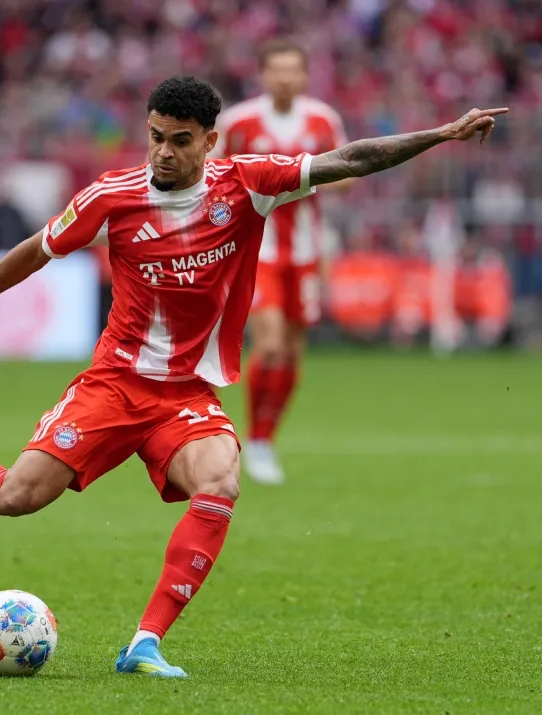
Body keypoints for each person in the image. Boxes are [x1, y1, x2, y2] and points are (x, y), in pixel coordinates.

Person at [0, 75, 505, 678]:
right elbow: (38, 250)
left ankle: (145, 642)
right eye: (155, 137)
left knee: (220, 480)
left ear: (210, 140)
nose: (163, 152)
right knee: (15, 497)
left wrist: (443, 133)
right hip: (114, 385)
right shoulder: (112, 197)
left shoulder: (246, 185)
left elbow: (349, 158)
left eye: (179, 140)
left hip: (186, 396)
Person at [209, 39, 351, 484]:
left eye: (293, 70)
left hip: (305, 251)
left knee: (291, 350)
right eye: (277, 70)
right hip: (260, 250)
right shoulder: (239, 122)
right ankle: (253, 440)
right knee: (268, 344)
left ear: (305, 75)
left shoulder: (322, 119)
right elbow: (210, 173)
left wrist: (305, 178)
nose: (285, 78)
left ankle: (266, 438)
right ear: (264, 75)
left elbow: (348, 173)